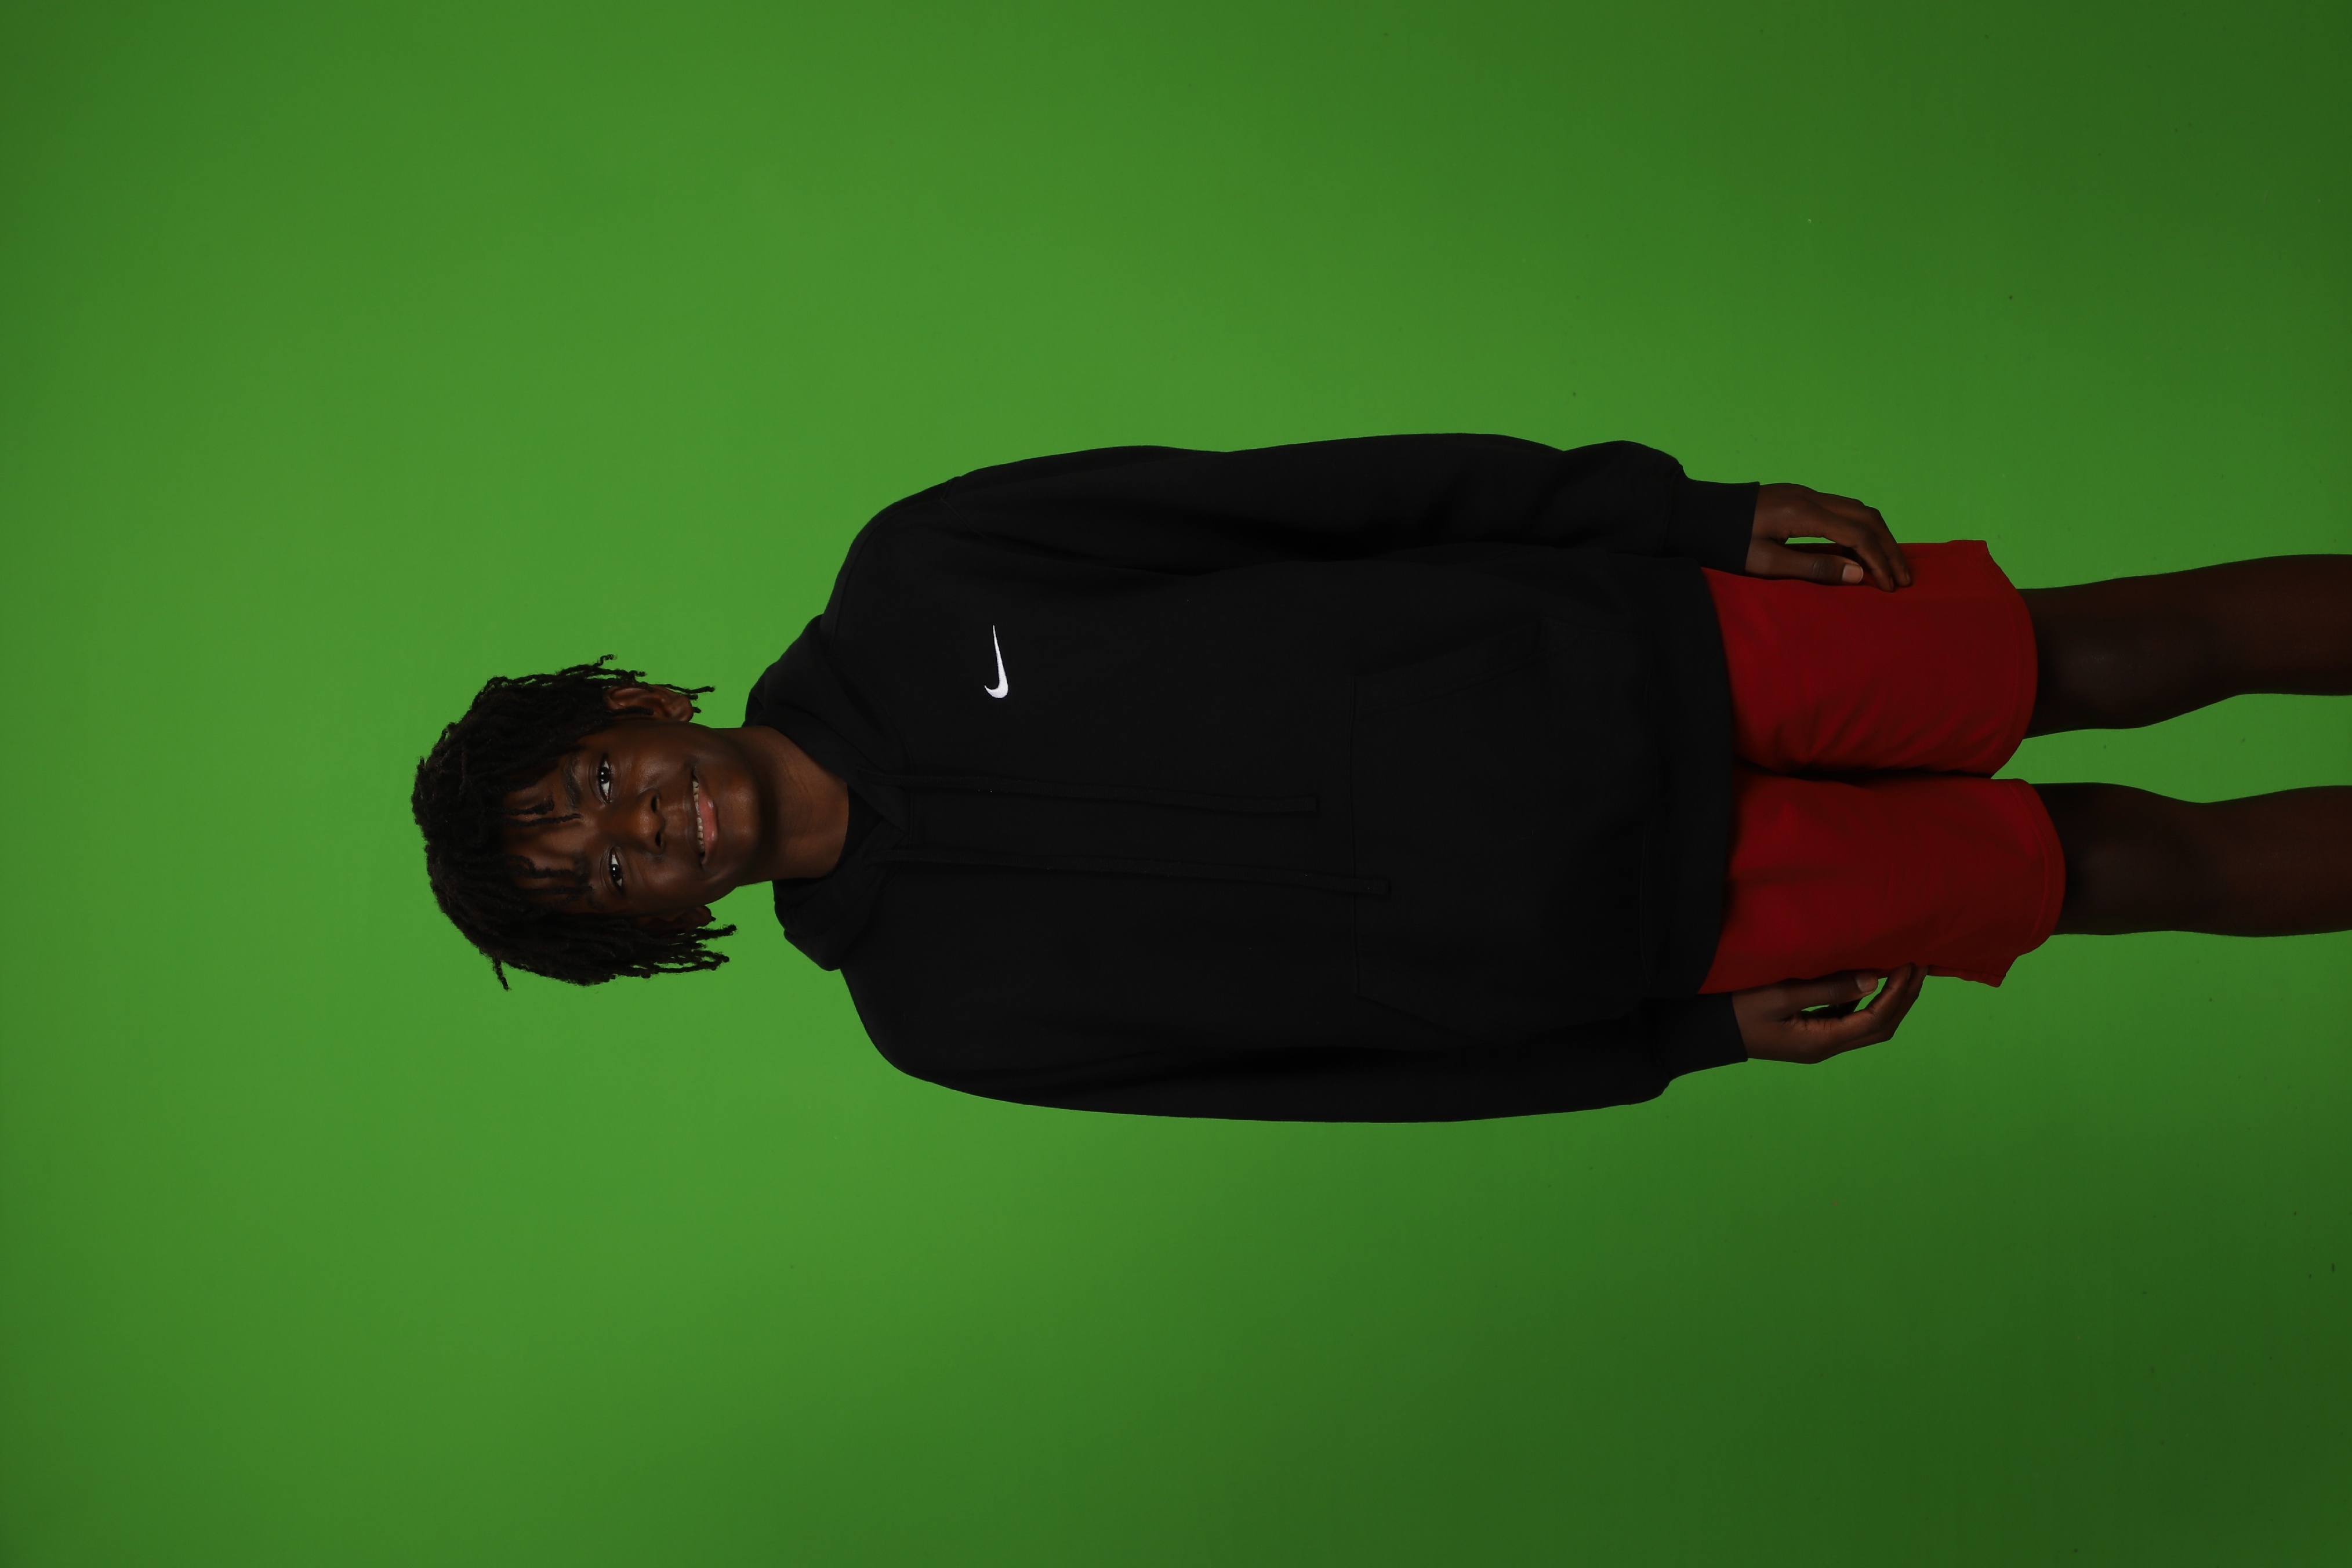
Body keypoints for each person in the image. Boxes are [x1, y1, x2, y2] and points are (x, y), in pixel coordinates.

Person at [410, 436, 2352, 1121]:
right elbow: (1329, 1090)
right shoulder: (941, 1020)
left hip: (1631, 643)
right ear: (656, 932)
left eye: (597, 784)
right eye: (602, 876)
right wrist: (1676, 1044)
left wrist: (1675, 513)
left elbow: (1319, 497)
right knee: (2117, 874)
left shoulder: (923, 574)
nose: (637, 830)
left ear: (635, 705)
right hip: (1648, 929)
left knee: (2089, 656)